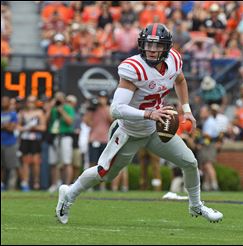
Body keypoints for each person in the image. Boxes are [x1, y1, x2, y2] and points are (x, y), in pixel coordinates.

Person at [55, 23, 223, 224]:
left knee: (190, 162)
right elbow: (116, 109)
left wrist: (187, 110)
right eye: (148, 45)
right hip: (129, 131)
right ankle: (68, 194)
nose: (152, 50)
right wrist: (148, 114)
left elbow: (180, 80)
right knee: (104, 173)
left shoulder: (174, 60)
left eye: (157, 45)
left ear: (166, 47)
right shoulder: (135, 69)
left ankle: (196, 205)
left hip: (154, 129)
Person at [46, 92, 75, 192]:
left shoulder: (68, 108)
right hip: (54, 136)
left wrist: (62, 111)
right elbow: (45, 120)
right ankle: (55, 183)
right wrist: (50, 108)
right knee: (53, 162)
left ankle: (67, 184)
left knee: (66, 161)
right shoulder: (53, 109)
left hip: (65, 136)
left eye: (60, 98)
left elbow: (70, 122)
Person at [18, 96, 46, 191]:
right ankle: (25, 182)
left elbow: (43, 127)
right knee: (25, 161)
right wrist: (26, 128)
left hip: (35, 139)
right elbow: (18, 127)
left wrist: (35, 128)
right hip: (25, 138)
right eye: (29, 101)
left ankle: (36, 182)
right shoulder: (22, 113)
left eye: (32, 102)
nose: (30, 104)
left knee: (35, 161)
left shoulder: (39, 113)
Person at [1, 96, 19, 191]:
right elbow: (8, 126)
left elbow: (11, 128)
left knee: (12, 166)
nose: (3, 103)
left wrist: (5, 126)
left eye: (5, 101)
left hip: (10, 143)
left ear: (9, 103)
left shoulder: (13, 114)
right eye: (2, 101)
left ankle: (11, 186)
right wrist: (6, 125)